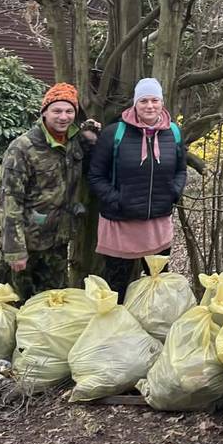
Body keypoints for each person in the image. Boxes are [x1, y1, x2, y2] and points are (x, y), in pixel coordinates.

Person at [0, 83, 100, 299]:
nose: (63, 117)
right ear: (44, 112)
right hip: (28, 246)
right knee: (20, 306)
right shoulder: (23, 148)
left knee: (53, 305)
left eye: (69, 111)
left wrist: (89, 132)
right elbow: (9, 201)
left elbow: (83, 158)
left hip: (57, 243)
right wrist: (14, 249)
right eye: (57, 111)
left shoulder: (73, 141)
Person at [87, 78, 186, 301]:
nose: (150, 106)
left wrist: (173, 192)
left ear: (162, 102)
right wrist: (118, 200)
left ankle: (152, 332)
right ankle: (118, 331)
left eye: (154, 100)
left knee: (157, 286)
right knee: (116, 288)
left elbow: (181, 169)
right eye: (144, 101)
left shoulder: (174, 133)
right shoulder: (114, 134)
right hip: (120, 225)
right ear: (135, 104)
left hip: (157, 224)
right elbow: (95, 176)